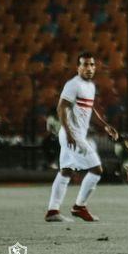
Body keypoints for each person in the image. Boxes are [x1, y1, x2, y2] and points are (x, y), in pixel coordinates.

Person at [45, 52, 118, 222]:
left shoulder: (90, 86)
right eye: (85, 65)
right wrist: (70, 133)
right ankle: (79, 207)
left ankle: (52, 211)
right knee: (97, 169)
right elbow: (61, 108)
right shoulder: (73, 84)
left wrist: (105, 125)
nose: (89, 68)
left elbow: (90, 110)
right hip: (72, 135)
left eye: (92, 65)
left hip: (73, 135)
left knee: (66, 171)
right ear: (78, 67)